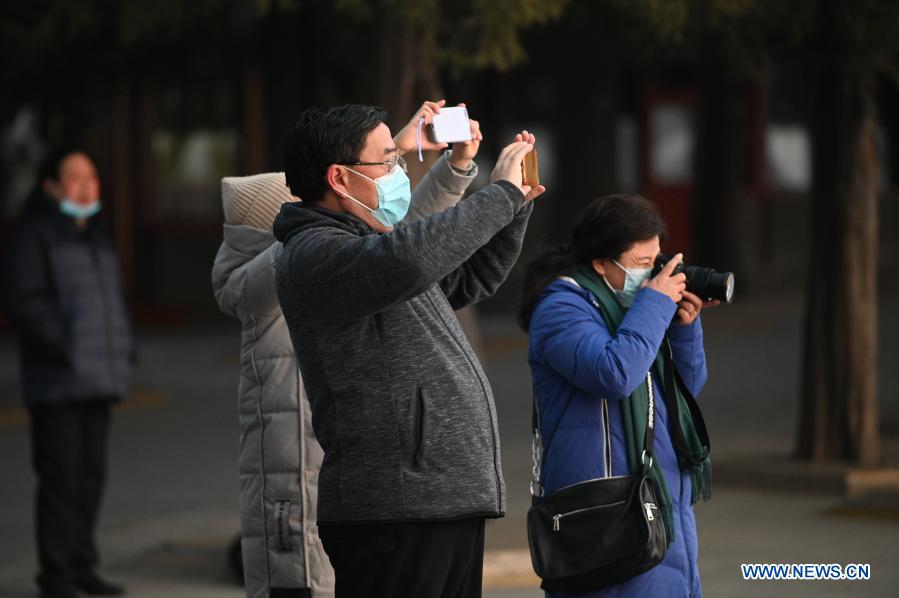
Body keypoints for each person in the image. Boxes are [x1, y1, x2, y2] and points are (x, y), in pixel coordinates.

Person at [211, 100, 485, 598]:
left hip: (351, 467)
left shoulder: (332, 247)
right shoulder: (293, 259)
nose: (392, 177)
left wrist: (431, 161)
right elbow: (397, 254)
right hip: (298, 478)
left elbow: (397, 240)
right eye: (382, 167)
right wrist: (370, 177)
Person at [273, 103, 545, 598]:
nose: (400, 172)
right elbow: (411, 259)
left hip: (442, 499)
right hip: (394, 509)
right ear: (339, 177)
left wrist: (515, 204)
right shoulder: (314, 253)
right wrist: (500, 195)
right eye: (389, 160)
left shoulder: (372, 244)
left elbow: (469, 277)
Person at [520, 195, 714, 598]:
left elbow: (684, 394)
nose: (653, 275)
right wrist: (655, 306)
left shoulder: (635, 307)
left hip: (658, 499)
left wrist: (682, 328)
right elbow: (614, 374)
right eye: (642, 264)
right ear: (600, 263)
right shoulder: (561, 308)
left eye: (657, 260)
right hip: (605, 513)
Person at [1, 149, 131, 598]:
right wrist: (65, 347)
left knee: (90, 477)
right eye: (74, 178)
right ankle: (54, 575)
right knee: (60, 479)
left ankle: (80, 566)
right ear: (51, 187)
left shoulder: (95, 235)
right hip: (57, 380)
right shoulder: (36, 236)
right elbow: (25, 301)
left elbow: (109, 304)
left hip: (98, 377)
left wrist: (123, 352)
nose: (86, 186)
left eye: (92, 177)